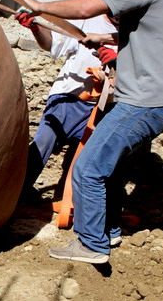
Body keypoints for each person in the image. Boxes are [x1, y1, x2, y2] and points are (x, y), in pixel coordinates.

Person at [15, 0, 163, 264]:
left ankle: (92, 244)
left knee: (88, 168)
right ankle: (107, 230)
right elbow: (152, 36)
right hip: (156, 99)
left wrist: (39, 6)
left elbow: (85, 9)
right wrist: (108, 40)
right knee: (108, 169)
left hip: (143, 101)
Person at [15, 11, 117, 194]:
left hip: (100, 108)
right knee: (41, 146)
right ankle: (14, 196)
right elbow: (52, 43)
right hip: (66, 99)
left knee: (87, 163)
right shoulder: (87, 20)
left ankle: (73, 205)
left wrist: (114, 68)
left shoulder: (135, 35)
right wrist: (35, 27)